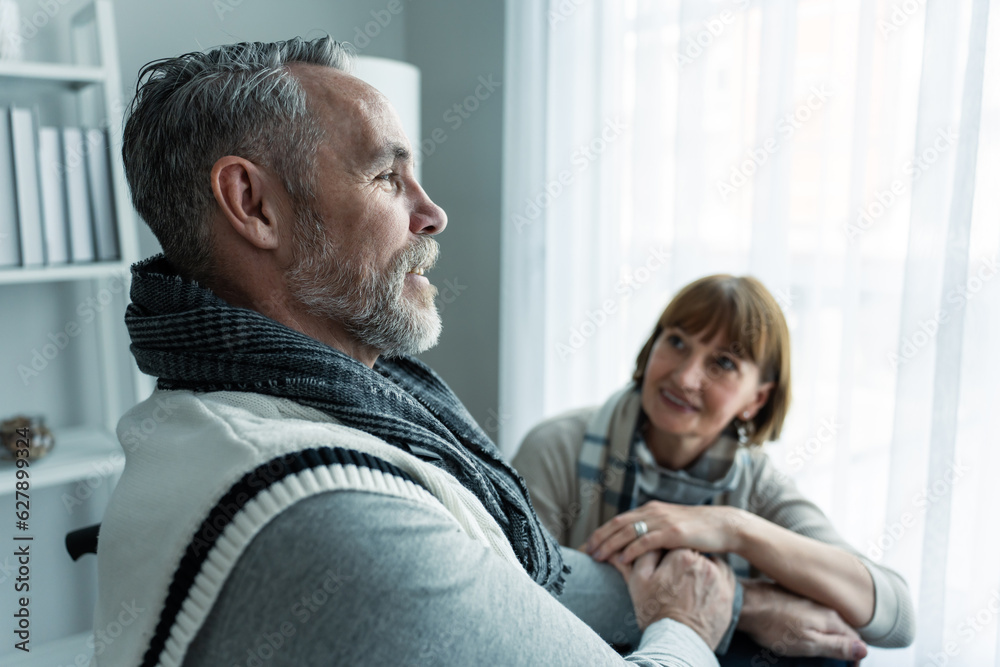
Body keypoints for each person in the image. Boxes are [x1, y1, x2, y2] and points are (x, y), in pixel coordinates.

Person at [91, 37, 740, 666]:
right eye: (386, 175)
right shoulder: (334, 515)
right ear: (253, 203)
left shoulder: (228, 414)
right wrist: (685, 625)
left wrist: (740, 601)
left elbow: (506, 578)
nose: (432, 213)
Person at [512, 275, 916, 665]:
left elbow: (896, 618)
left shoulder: (758, 486)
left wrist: (732, 528)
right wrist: (745, 606)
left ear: (756, 400)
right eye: (676, 342)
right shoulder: (556, 446)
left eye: (723, 362)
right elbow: (520, 598)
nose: (686, 377)